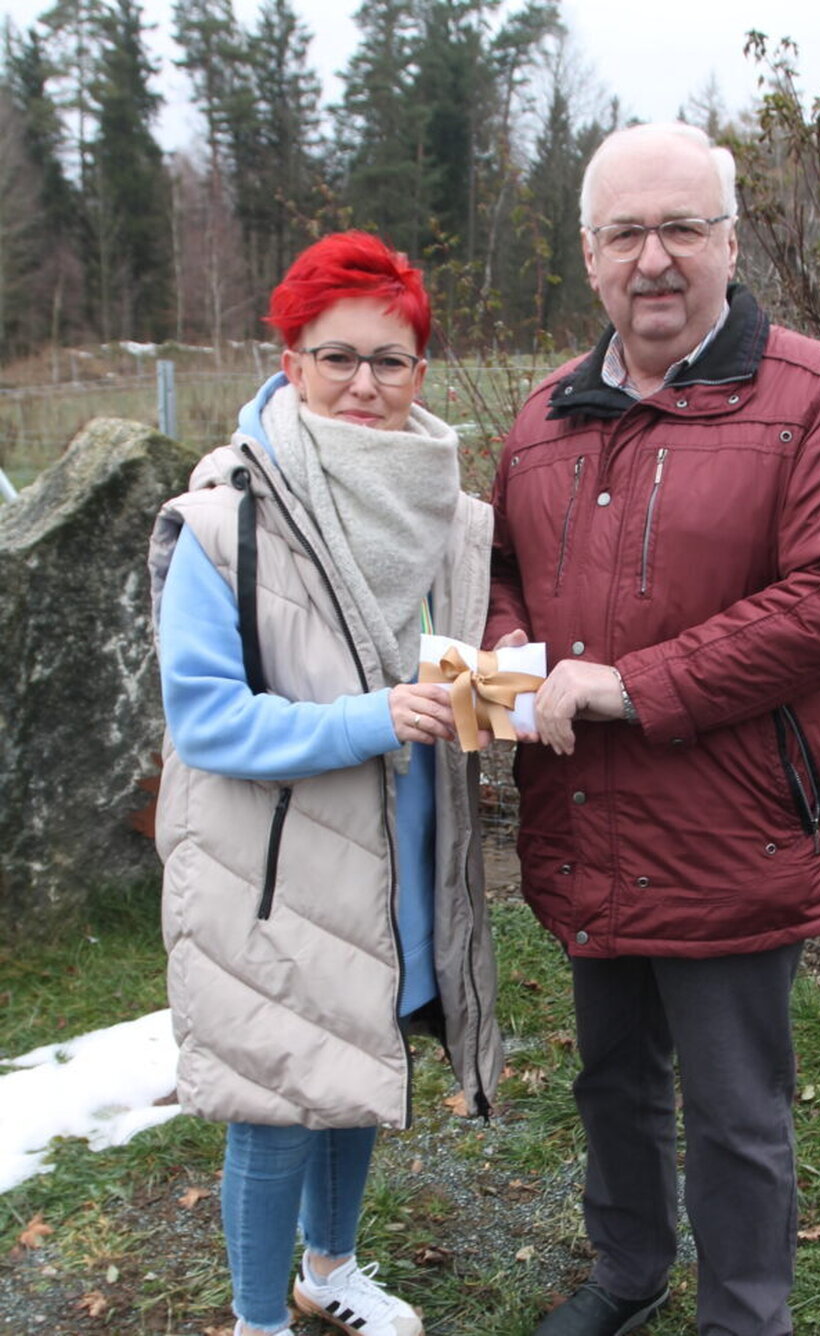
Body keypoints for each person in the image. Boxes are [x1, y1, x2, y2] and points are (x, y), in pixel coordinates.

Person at [486, 123, 820, 1336]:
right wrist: (510, 646)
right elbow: (503, 568)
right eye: (626, 233)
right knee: (611, 1078)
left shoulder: (819, 395)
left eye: (681, 228)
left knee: (734, 1110)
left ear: (729, 240)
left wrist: (633, 683)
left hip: (732, 824)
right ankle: (627, 1272)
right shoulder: (541, 418)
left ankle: (743, 1315)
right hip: (584, 812)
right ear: (589, 253)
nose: (653, 258)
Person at [148, 230, 502, 1336]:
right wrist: (366, 717)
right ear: (289, 361)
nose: (363, 383)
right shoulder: (221, 521)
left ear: (420, 375)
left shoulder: (452, 515)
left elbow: (455, 674)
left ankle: (329, 1272)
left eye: (388, 360)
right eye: (335, 355)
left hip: (402, 845)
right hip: (270, 865)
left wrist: (500, 706)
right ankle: (259, 1321)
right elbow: (203, 716)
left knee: (357, 1060)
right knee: (270, 1101)